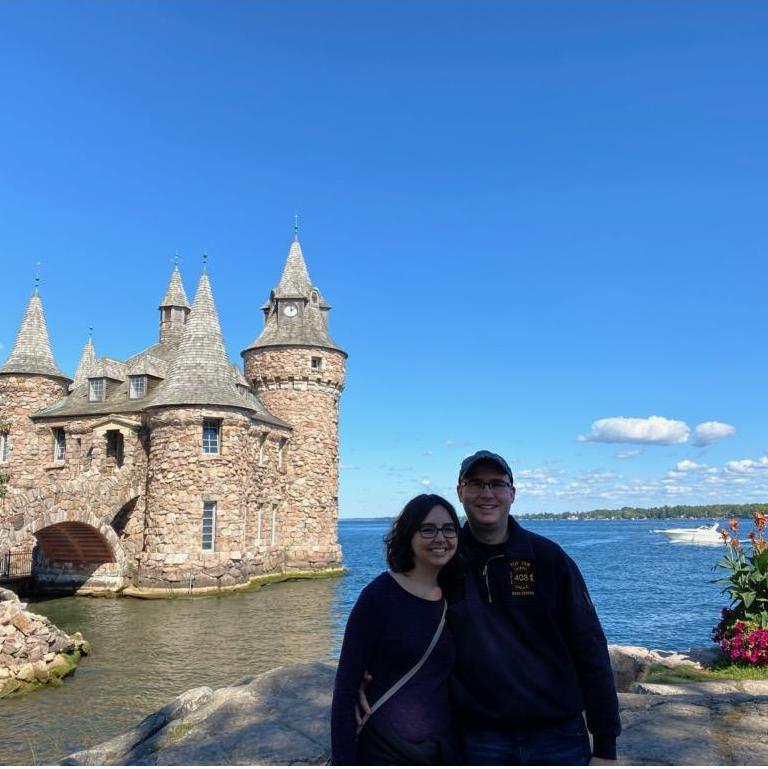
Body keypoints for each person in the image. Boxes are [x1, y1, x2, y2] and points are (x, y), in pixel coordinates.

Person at [448, 449, 621, 765]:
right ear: (460, 491)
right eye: (476, 483)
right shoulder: (445, 563)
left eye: (497, 484)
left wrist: (605, 745)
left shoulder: (548, 559)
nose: (487, 493)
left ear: (512, 493)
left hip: (557, 737)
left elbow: (589, 645)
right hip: (478, 739)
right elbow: (407, 620)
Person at [330, 494, 463, 765]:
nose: (441, 537)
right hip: (384, 749)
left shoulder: (456, 595)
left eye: (449, 528)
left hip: (442, 750)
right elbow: (345, 688)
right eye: (428, 529)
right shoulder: (379, 596)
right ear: (409, 536)